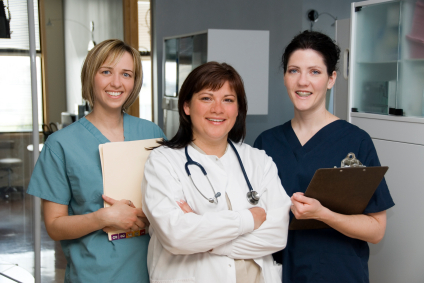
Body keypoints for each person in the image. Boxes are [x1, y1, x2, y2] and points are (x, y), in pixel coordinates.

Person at [254, 30, 395, 283]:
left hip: (339, 273)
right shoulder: (267, 143)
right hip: (279, 272)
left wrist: (323, 214)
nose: (302, 81)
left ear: (331, 79)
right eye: (293, 70)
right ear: (285, 77)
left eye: (315, 72)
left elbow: (376, 230)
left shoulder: (355, 141)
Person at [27, 39, 165, 283]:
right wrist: (103, 218)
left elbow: (170, 200)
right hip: (96, 274)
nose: (116, 83)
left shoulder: (152, 133)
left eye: (126, 74)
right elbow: (54, 225)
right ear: (91, 76)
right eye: (106, 72)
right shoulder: (61, 144)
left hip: (155, 270)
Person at [141, 61, 291, 283]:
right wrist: (248, 219)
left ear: (238, 109)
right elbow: (176, 236)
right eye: (206, 98)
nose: (218, 109)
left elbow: (277, 235)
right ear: (186, 107)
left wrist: (205, 241)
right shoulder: (163, 161)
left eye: (228, 100)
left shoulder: (259, 161)